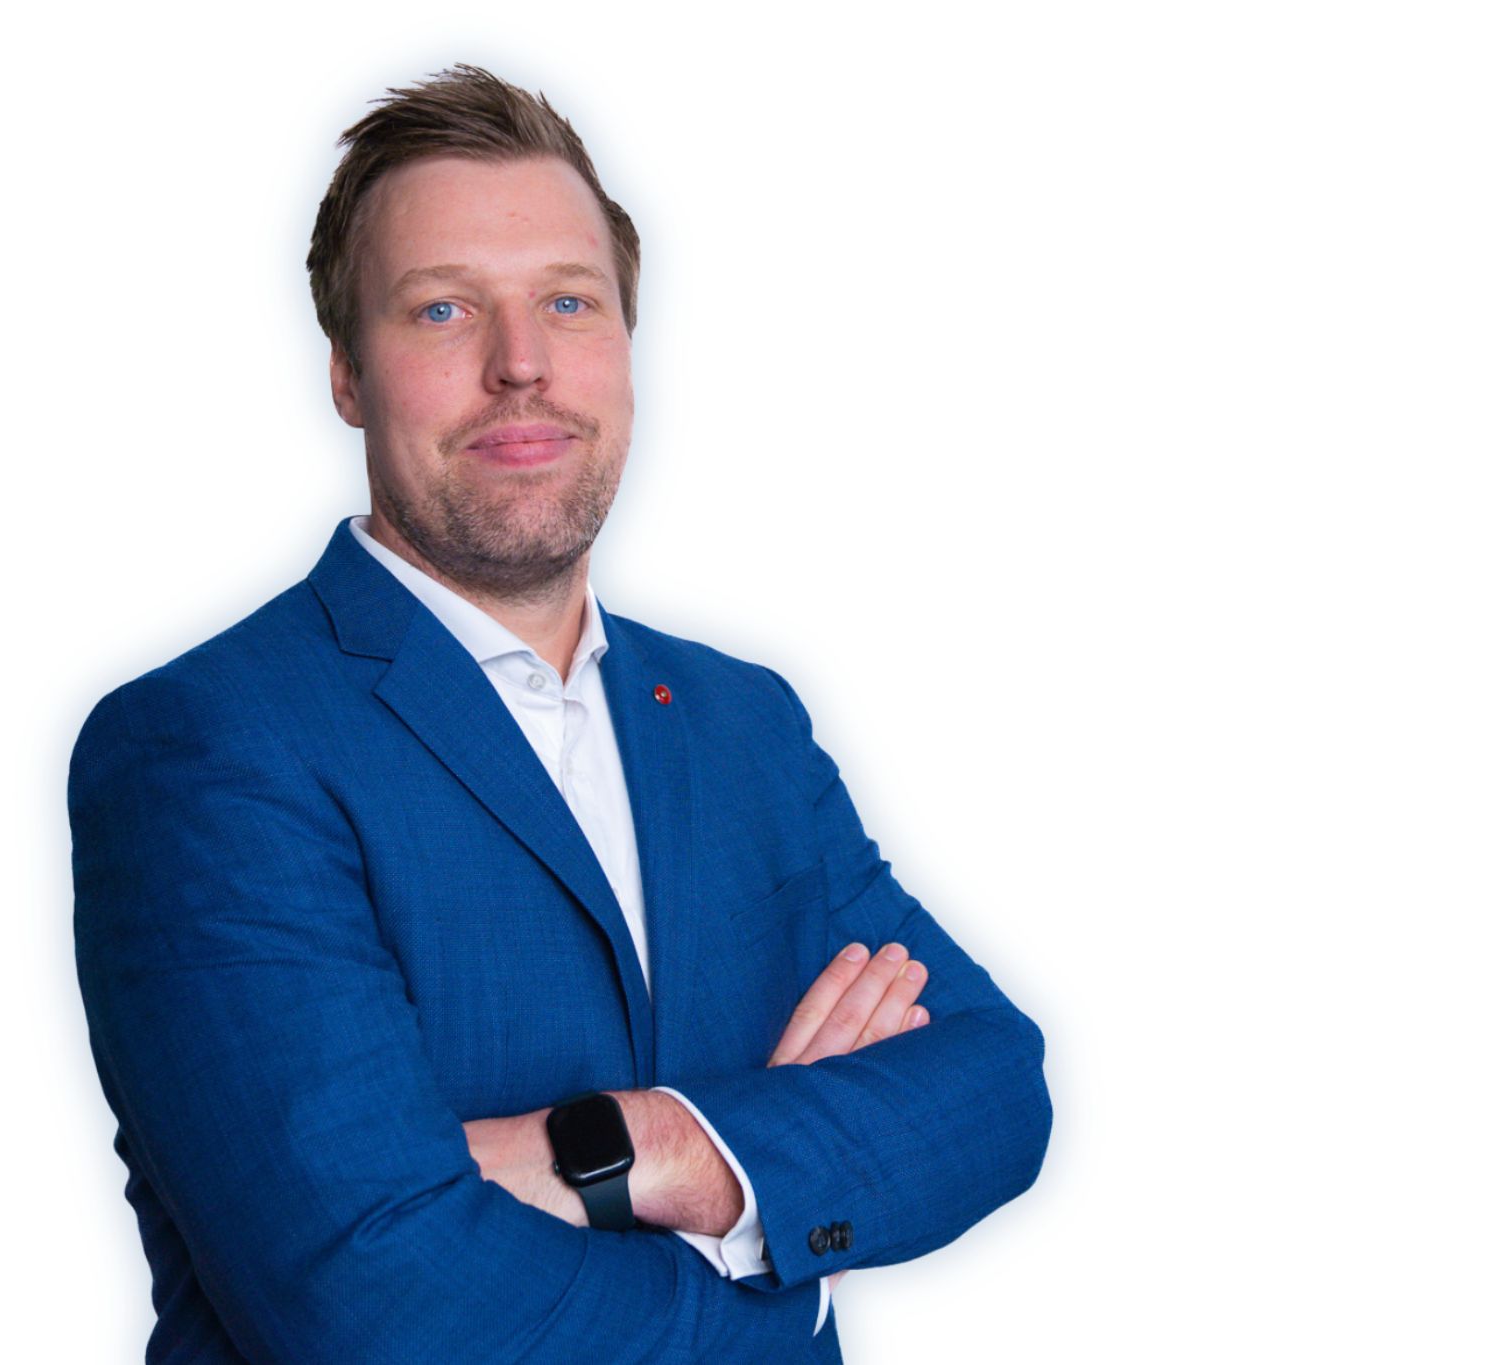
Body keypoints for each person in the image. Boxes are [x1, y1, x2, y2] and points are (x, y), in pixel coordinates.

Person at [70, 64, 1052, 1363]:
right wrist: (787, 1268)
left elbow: (992, 1086)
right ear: (350, 375)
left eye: (569, 302)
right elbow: (373, 1305)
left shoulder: (743, 725)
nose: (520, 364)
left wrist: (653, 1148)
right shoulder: (207, 747)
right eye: (441, 310)